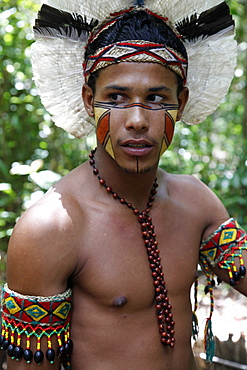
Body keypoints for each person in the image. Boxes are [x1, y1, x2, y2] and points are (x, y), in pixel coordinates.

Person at [1, 1, 247, 369]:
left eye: (155, 99)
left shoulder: (197, 203)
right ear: (89, 101)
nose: (136, 120)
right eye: (116, 98)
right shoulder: (50, 228)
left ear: (180, 104)